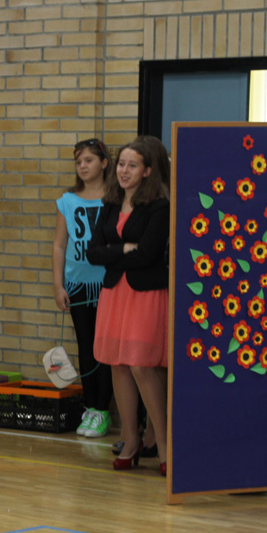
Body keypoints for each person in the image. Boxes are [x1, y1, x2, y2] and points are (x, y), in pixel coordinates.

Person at [86, 137, 171, 476]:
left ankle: (163, 444)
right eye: (121, 164)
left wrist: (114, 252)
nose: (123, 171)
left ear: (147, 171)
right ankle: (130, 439)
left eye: (132, 165)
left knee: (140, 365)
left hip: (145, 294)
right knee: (117, 364)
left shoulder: (159, 207)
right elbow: (93, 252)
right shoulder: (110, 203)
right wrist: (123, 250)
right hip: (114, 292)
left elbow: (148, 254)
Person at [51, 138, 114, 438]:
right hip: (77, 284)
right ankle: (90, 406)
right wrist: (58, 285)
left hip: (108, 284)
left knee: (106, 348)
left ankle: (103, 409)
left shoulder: (114, 198)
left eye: (89, 160)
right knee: (85, 346)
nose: (83, 166)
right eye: (78, 162)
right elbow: (59, 245)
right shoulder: (68, 200)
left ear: (104, 163)